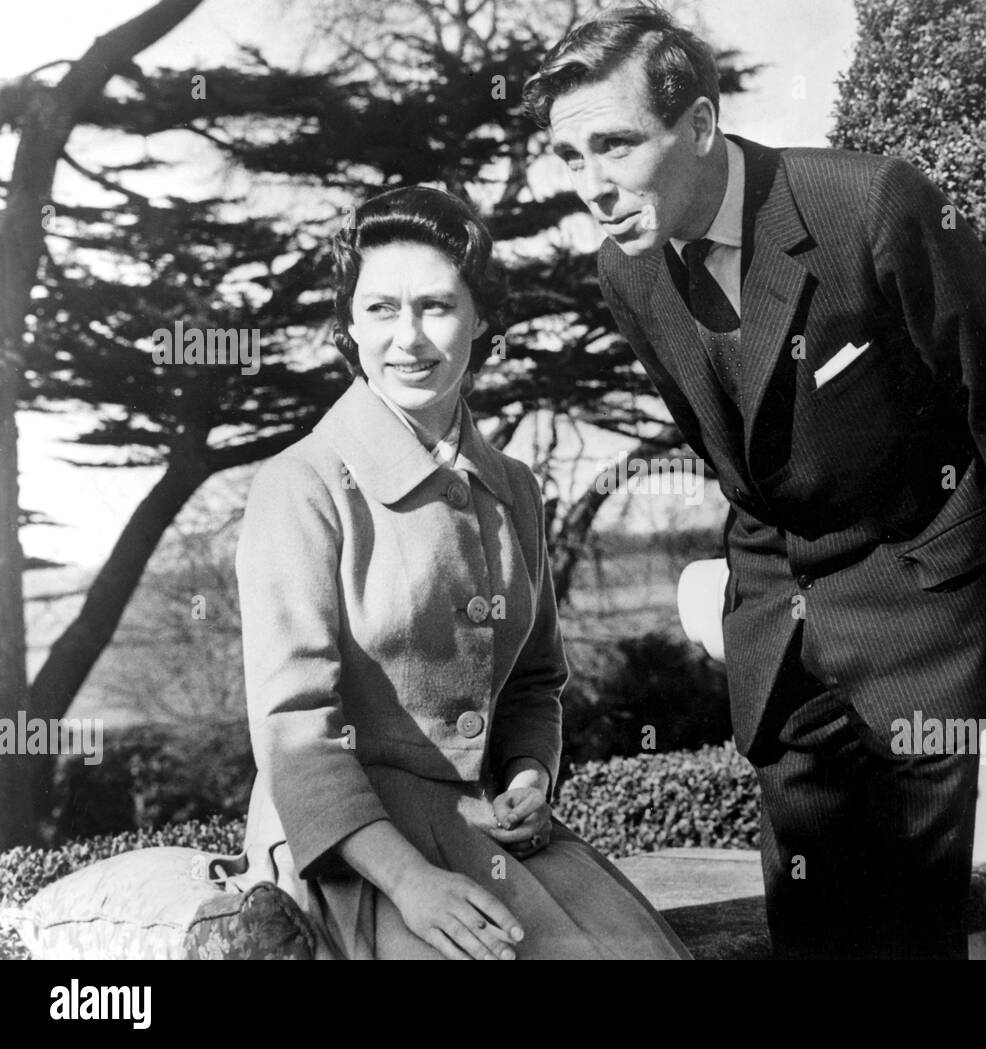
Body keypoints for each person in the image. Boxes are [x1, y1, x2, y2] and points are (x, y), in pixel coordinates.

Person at [524, 4, 986, 959]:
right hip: (781, 642)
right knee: (808, 930)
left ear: (699, 125)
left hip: (924, 625)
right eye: (570, 161)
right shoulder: (630, 272)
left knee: (910, 933)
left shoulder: (869, 204)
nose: (592, 187)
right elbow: (730, 449)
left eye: (613, 148)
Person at [227, 185, 689, 960]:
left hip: (489, 836)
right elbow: (293, 731)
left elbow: (536, 684)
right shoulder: (300, 483)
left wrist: (531, 776)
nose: (407, 338)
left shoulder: (513, 486)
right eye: (379, 309)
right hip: (351, 848)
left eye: (437, 306)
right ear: (348, 325)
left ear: (481, 321)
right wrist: (409, 882)